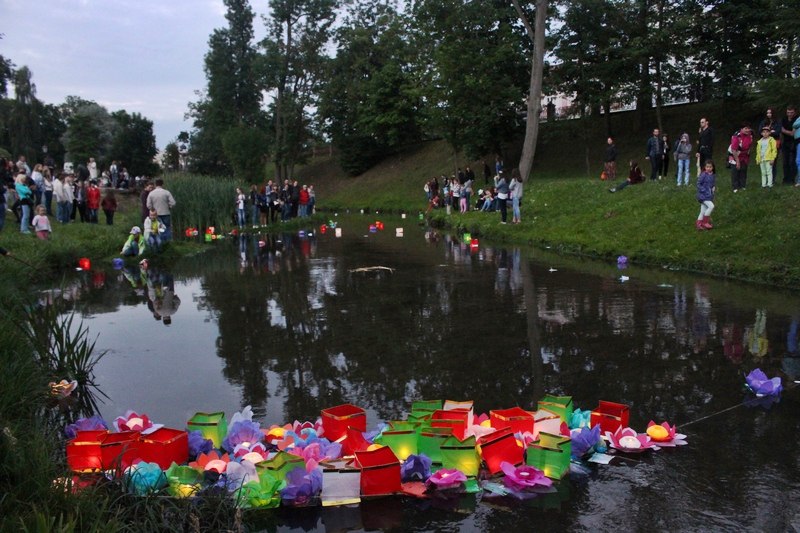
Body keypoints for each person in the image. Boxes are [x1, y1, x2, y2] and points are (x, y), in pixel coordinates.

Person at [758, 108, 781, 184]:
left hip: (774, 143)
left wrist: (768, 132)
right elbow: (760, 131)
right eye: (767, 113)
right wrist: (770, 131)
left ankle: (772, 181)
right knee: (764, 163)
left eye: (770, 113)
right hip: (765, 144)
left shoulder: (777, 122)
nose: (768, 114)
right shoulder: (764, 122)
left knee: (773, 162)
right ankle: (765, 181)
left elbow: (777, 132)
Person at [729, 122, 753, 192]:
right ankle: (735, 187)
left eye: (748, 128)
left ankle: (742, 186)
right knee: (736, 170)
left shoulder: (750, 135)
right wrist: (737, 161)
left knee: (743, 170)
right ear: (741, 129)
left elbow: (750, 144)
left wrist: (748, 151)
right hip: (735, 154)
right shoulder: (736, 136)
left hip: (744, 155)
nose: (747, 130)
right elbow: (733, 149)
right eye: (745, 128)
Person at [696, 160, 716, 230]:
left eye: (710, 167)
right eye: (707, 167)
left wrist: (713, 188)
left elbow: (712, 184)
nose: (708, 168)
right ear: (705, 167)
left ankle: (699, 225)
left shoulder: (712, 175)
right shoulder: (703, 174)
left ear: (712, 168)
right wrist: (704, 190)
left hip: (709, 196)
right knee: (711, 206)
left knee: (702, 211)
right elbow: (698, 184)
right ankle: (705, 222)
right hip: (703, 196)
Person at [780, 106, 797, 185]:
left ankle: (792, 179)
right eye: (788, 112)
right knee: (785, 162)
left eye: (791, 112)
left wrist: (784, 131)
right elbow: (781, 130)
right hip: (785, 142)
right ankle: (785, 179)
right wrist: (787, 132)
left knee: (792, 161)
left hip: (794, 142)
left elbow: (793, 134)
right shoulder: (784, 119)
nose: (789, 114)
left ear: (795, 112)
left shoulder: (797, 119)